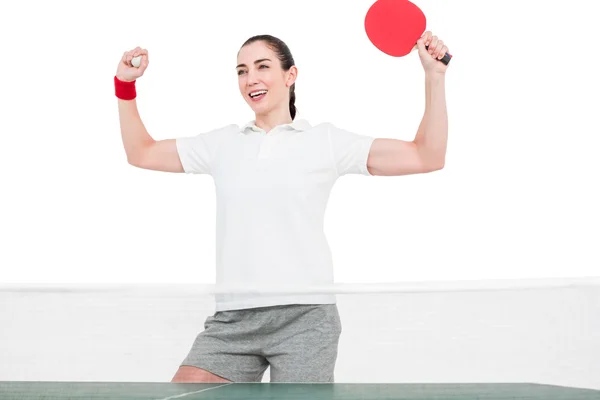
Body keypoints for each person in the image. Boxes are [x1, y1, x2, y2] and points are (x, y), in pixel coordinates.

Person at [114, 33, 449, 384]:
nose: (251, 79)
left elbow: (427, 155)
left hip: (305, 318)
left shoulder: (326, 141)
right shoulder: (222, 144)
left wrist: (434, 77)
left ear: (290, 76)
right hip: (233, 319)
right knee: (183, 393)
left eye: (263, 67)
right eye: (242, 71)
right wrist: (124, 84)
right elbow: (142, 152)